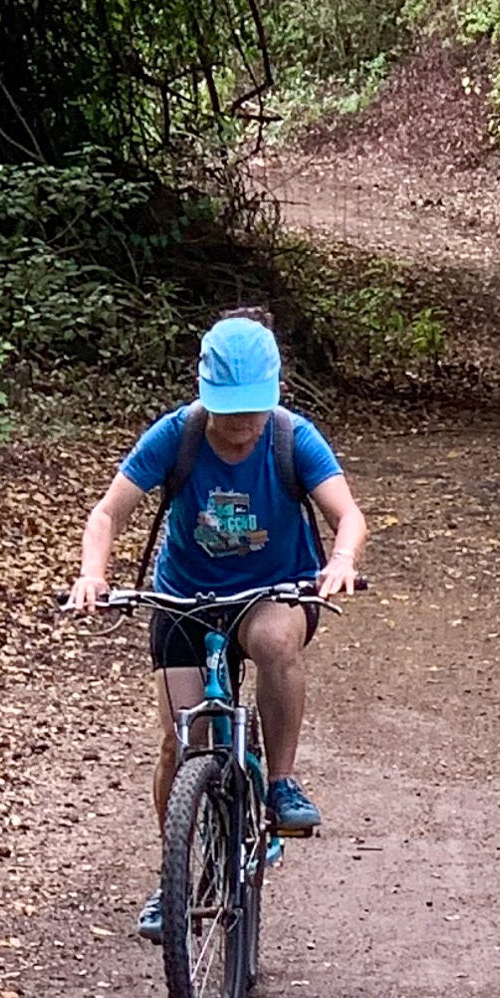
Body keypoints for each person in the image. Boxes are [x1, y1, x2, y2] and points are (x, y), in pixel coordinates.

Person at [69, 310, 367, 940]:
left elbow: (348, 515)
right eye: (228, 417)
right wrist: (94, 572)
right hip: (186, 597)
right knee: (182, 745)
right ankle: (177, 878)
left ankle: (281, 783)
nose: (238, 433)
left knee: (273, 639)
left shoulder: (292, 438)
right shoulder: (174, 437)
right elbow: (108, 513)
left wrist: (340, 561)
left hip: (273, 591)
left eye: (250, 418)